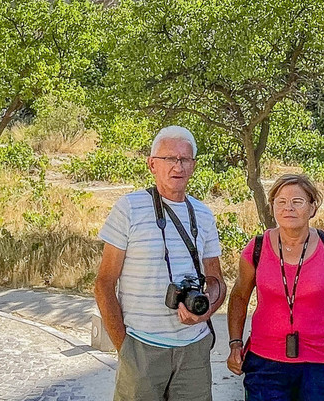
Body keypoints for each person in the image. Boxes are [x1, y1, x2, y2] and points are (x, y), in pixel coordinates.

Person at [95, 126, 226, 401]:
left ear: (193, 166)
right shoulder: (129, 208)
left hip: (193, 350)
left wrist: (206, 309)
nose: (177, 166)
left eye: (184, 159)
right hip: (141, 346)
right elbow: (104, 284)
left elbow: (216, 281)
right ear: (152, 164)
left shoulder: (203, 214)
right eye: (169, 159)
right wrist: (125, 348)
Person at [226, 173, 324, 401]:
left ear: (312, 207)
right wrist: (235, 344)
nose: (288, 208)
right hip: (265, 364)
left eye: (297, 201)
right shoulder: (256, 248)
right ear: (272, 207)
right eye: (281, 201)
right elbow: (239, 296)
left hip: (321, 365)